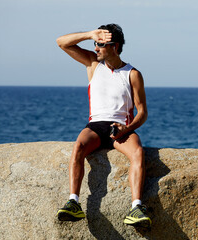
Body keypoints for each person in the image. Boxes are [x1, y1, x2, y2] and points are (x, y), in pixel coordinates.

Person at [55, 24, 151, 228]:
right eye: (95, 44)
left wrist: (127, 128)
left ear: (114, 46)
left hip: (121, 128)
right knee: (78, 146)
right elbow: (61, 42)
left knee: (138, 153)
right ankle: (73, 202)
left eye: (100, 44)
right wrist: (90, 34)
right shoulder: (92, 63)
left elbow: (142, 112)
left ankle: (136, 207)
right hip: (96, 126)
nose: (96, 48)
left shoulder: (132, 74)